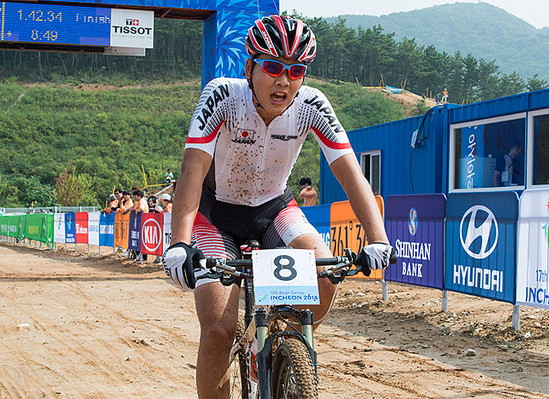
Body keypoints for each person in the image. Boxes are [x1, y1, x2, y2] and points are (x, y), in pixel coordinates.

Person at [162, 15, 394, 399]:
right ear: (250, 67)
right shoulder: (223, 95)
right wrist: (179, 243)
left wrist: (378, 238)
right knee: (219, 329)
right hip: (215, 215)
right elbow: (192, 169)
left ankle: (266, 345)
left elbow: (351, 173)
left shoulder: (312, 104)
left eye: (296, 70)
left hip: (273, 208)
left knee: (325, 273)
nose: (284, 81)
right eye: (272, 67)